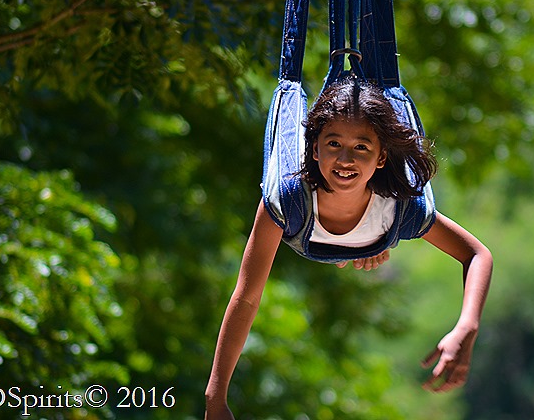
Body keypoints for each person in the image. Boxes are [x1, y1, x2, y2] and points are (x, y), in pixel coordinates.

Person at [204, 77, 493, 419]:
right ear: (314, 149)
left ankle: (374, 244)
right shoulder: (287, 201)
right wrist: (215, 396)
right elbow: (247, 296)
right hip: (310, 230)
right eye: (334, 143)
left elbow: (476, 254)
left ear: (382, 157)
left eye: (361, 147)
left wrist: (467, 326)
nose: (345, 159)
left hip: (377, 235)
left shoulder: (398, 208)